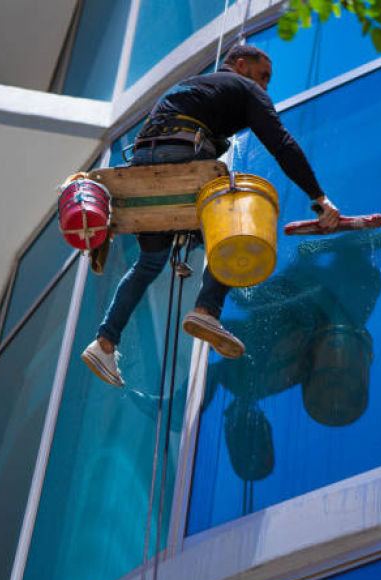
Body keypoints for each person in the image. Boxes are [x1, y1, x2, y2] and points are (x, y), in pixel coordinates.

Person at [81, 44, 340, 387]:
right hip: (183, 156)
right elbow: (281, 143)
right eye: (263, 76)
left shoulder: (192, 86)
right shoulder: (244, 89)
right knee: (237, 238)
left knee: (148, 264)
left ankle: (104, 343)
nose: (265, 87)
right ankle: (205, 311)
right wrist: (319, 197)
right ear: (242, 65)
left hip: (143, 167)